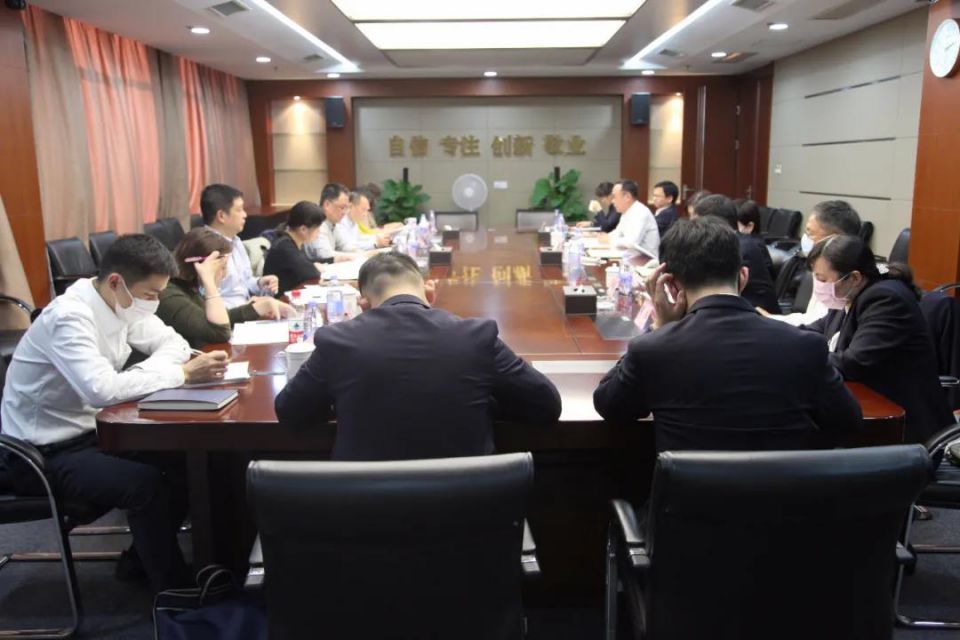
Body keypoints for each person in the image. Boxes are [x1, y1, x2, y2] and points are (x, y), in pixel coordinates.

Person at [1, 234, 230, 592]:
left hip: (95, 432)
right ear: (115, 282)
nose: (155, 303)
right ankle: (176, 593)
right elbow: (101, 390)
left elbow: (175, 343)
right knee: (144, 485)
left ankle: (140, 562)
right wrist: (179, 374)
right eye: (151, 294)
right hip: (40, 454)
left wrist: (152, 372)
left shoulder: (122, 304)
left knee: (188, 460)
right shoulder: (70, 317)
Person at [593, 217, 862, 453]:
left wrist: (659, 328)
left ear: (670, 285)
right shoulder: (806, 347)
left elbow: (610, 406)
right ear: (743, 276)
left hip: (691, 497)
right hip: (786, 495)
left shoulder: (653, 349)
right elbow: (848, 423)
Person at [275, 252, 562, 461]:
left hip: (365, 516)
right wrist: (485, 399)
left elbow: (289, 413)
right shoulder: (476, 336)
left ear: (363, 304)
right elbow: (546, 404)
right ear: (429, 291)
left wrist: (342, 398)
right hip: (466, 516)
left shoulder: (337, 341)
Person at [802, 235, 952, 442]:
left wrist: (799, 357)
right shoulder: (847, 296)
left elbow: (853, 362)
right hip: (867, 412)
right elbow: (814, 331)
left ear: (854, 278)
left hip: (904, 428)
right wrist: (775, 337)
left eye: (822, 279)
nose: (818, 286)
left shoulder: (886, 299)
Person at [158, 228, 291, 348]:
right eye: (222, 267)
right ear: (201, 266)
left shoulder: (189, 287)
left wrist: (259, 307)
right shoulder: (169, 294)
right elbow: (220, 331)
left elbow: (217, 319)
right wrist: (209, 282)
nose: (225, 274)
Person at [767, 200, 861, 325]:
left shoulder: (842, 278)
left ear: (834, 240)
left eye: (810, 233)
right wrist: (770, 319)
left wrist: (771, 321)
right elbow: (812, 319)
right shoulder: (821, 266)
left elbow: (819, 324)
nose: (805, 238)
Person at [694, 194, 779, 314]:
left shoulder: (739, 248)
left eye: (699, 226)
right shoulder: (738, 241)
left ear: (716, 225)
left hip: (757, 316)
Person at [201, 183, 279, 307]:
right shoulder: (205, 247)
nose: (245, 215)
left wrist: (260, 283)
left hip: (246, 310)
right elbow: (207, 300)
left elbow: (244, 282)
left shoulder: (235, 241)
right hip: (229, 316)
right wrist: (247, 309)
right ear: (221, 216)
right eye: (239, 210)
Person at [263, 201, 331, 293]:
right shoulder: (285, 247)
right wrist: (314, 267)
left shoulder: (294, 241)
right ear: (303, 229)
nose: (319, 232)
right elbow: (311, 273)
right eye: (317, 228)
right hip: (280, 298)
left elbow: (306, 262)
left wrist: (333, 260)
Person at [305, 182, 366, 263]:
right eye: (342, 207)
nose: (344, 212)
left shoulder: (333, 223)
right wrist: (355, 256)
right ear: (327, 205)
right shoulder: (317, 222)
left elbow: (344, 245)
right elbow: (325, 254)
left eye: (347, 208)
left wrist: (361, 253)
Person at [605, 179, 660, 260]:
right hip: (631, 258)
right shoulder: (627, 211)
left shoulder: (640, 212)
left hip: (645, 263)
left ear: (627, 197)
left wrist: (609, 239)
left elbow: (631, 242)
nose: (612, 201)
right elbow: (618, 232)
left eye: (614, 197)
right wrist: (604, 236)